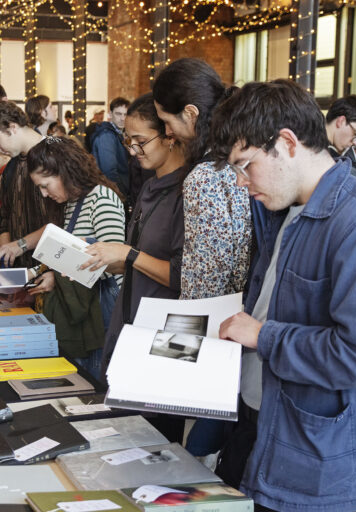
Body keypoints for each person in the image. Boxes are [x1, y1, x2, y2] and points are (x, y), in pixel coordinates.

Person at [212, 79, 356, 512]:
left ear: (286, 143)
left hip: (325, 466)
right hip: (269, 430)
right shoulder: (288, 210)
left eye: (246, 165)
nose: (242, 182)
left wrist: (263, 336)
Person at [153, 58, 252, 453]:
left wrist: (176, 352)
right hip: (246, 320)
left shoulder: (206, 175)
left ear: (191, 113)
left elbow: (203, 279)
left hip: (219, 331)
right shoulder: (236, 159)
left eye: (168, 121)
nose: (167, 132)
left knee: (199, 454)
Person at [83, 93, 186, 370]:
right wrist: (102, 258)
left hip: (164, 333)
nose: (133, 150)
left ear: (170, 136)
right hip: (132, 318)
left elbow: (182, 275)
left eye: (141, 142)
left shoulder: (187, 192)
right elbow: (139, 260)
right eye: (128, 141)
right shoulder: (150, 186)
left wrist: (127, 253)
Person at [26, 136, 126, 378]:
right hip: (84, 313)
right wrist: (53, 273)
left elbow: (118, 262)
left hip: (100, 317)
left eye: (45, 185)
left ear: (64, 172)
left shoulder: (100, 199)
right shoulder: (74, 202)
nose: (43, 194)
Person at [0, 100, 63, 268]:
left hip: (52, 269)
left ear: (12, 127)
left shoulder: (57, 154)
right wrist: (7, 249)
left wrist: (20, 245)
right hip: (20, 270)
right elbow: (3, 217)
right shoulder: (10, 167)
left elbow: (63, 221)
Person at [91, 97, 130, 195]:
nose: (122, 118)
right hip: (113, 193)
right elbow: (109, 171)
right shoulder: (107, 136)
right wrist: (120, 195)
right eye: (118, 114)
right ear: (110, 114)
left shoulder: (116, 134)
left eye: (125, 114)